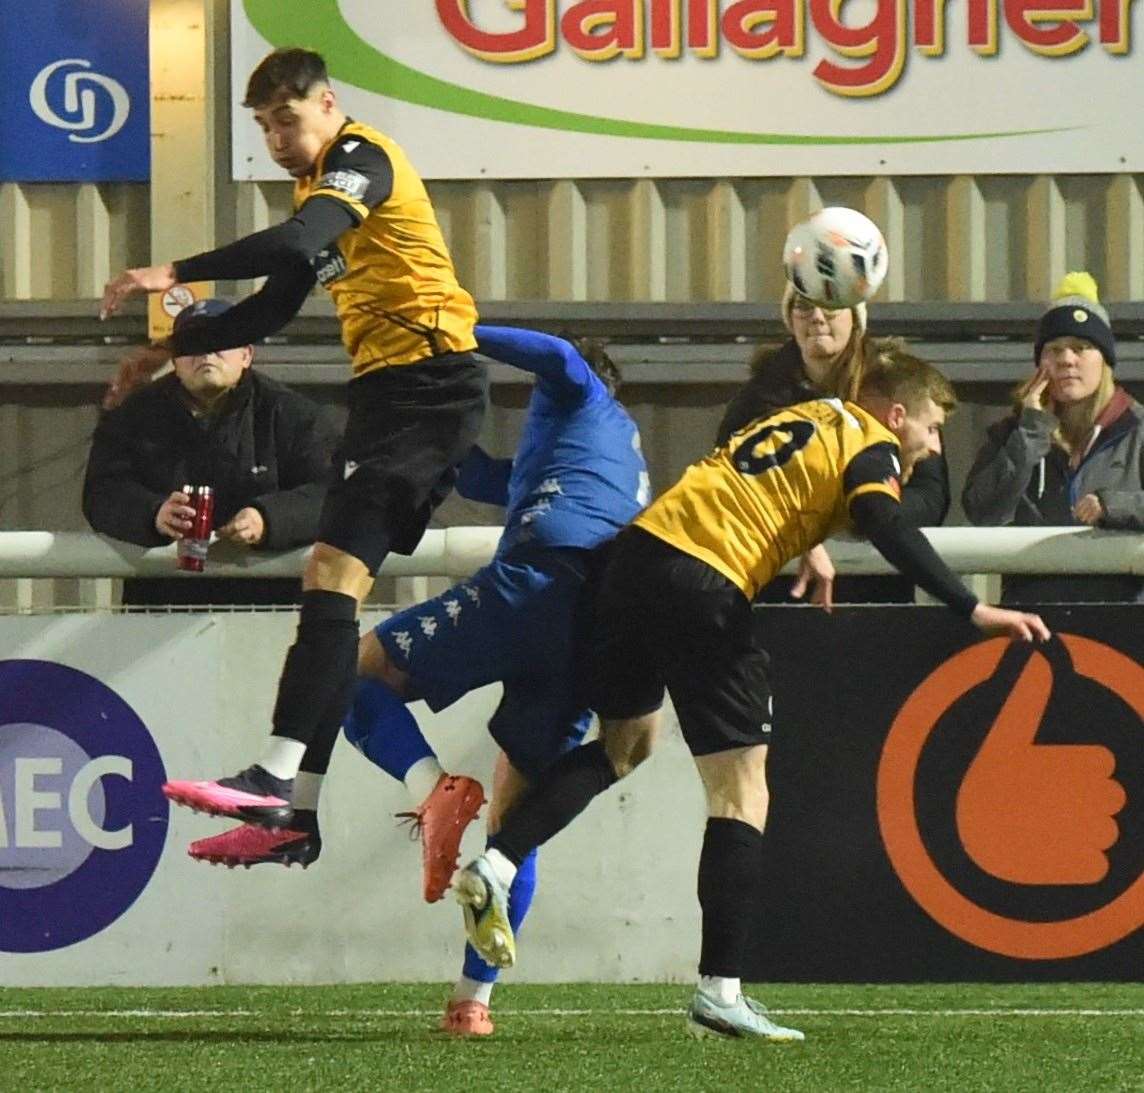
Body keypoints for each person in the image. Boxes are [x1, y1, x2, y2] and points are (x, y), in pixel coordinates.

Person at [455, 347, 1049, 1042]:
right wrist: (968, 608)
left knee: (625, 745)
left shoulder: (807, 415)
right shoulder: (872, 439)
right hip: (706, 579)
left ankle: (497, 861)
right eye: (931, 425)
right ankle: (720, 991)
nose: (931, 442)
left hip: (634, 562)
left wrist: (812, 540)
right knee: (743, 790)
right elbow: (885, 521)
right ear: (896, 412)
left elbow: (776, 490)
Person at [184, 326, 650, 1036]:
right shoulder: (606, 459)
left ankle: (432, 789)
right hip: (596, 625)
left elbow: (556, 356)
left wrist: (458, 329)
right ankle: (472, 1002)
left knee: (356, 669)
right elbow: (472, 472)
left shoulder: (579, 396)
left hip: (539, 585)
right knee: (512, 828)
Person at [99, 48, 486, 828]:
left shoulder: (361, 160)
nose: (277, 137)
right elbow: (273, 306)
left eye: (287, 117)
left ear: (328, 103)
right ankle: (294, 810)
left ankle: (280, 782)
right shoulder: (316, 187)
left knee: (334, 578)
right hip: (385, 395)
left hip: (432, 387)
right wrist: (167, 351)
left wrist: (167, 269)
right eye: (264, 125)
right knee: (328, 582)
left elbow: (286, 246)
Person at [82, 298, 338, 606]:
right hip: (163, 609)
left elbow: (332, 492)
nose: (207, 352)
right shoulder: (133, 416)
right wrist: (154, 513)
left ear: (246, 354)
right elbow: (102, 491)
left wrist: (268, 518)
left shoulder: (292, 414)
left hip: (268, 610)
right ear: (175, 360)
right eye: (194, 343)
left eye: (222, 340)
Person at [718, 280, 950, 606]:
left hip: (878, 592)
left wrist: (864, 515)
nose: (816, 317)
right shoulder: (758, 398)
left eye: (830, 305)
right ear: (790, 319)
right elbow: (731, 488)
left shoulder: (898, 386)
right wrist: (805, 539)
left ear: (855, 317)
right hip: (787, 594)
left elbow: (931, 496)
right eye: (802, 306)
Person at [963, 272, 1144, 603]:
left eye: (1081, 347)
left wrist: (1115, 506)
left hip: (1125, 623)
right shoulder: (1012, 432)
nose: (1066, 360)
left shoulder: (1139, 430)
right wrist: (1031, 430)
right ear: (1040, 362)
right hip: (1034, 618)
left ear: (1105, 360)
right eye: (1055, 349)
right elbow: (982, 511)